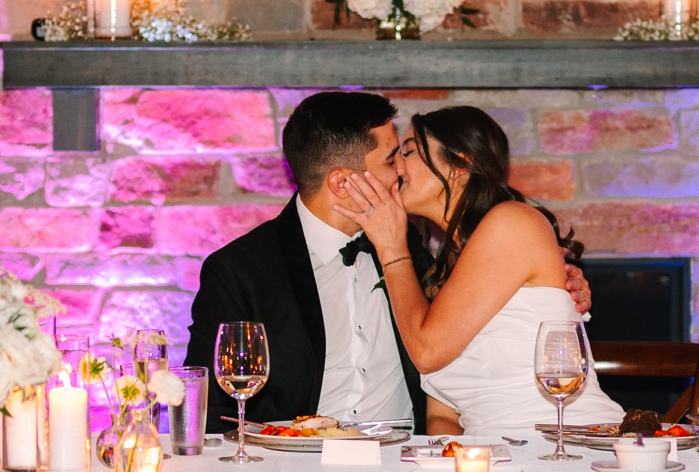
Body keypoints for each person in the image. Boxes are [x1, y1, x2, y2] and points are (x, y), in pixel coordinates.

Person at [184, 91, 592, 433]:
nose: (399, 171)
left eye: (407, 155)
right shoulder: (240, 271)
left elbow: (442, 342)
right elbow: (210, 409)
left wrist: (558, 284)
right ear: (343, 182)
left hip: (414, 461)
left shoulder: (411, 249)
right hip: (294, 471)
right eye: (392, 158)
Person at [336, 105, 625, 435]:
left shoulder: (513, 223)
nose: (397, 166)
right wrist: (449, 465)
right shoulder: (439, 275)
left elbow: (427, 352)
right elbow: (442, 414)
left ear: (460, 165)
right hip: (493, 460)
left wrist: (391, 246)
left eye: (410, 151)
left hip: (563, 443)